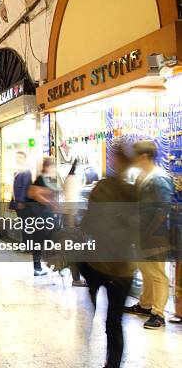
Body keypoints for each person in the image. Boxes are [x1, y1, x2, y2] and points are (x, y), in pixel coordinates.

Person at [77, 143, 138, 368]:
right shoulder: (134, 191)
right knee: (115, 322)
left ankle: (88, 321)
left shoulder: (103, 188)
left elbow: (89, 224)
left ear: (116, 161)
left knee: (96, 309)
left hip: (100, 263)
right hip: (123, 267)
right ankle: (112, 365)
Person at [124, 141, 174, 329]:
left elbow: (163, 208)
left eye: (135, 156)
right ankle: (145, 304)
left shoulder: (159, 178)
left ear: (144, 156)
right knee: (146, 270)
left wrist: (152, 232)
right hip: (142, 231)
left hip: (155, 233)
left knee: (157, 273)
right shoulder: (143, 176)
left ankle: (158, 313)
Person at [25, 157, 58, 276]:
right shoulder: (41, 179)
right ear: (47, 167)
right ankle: (38, 267)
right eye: (53, 167)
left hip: (44, 215)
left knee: (45, 239)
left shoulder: (48, 179)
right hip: (39, 216)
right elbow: (33, 193)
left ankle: (46, 265)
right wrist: (49, 203)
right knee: (39, 240)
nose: (54, 169)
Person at [62, 159, 87, 287]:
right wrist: (72, 224)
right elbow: (71, 201)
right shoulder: (73, 180)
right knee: (75, 251)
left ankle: (75, 276)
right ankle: (76, 279)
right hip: (71, 217)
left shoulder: (69, 178)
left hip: (69, 216)